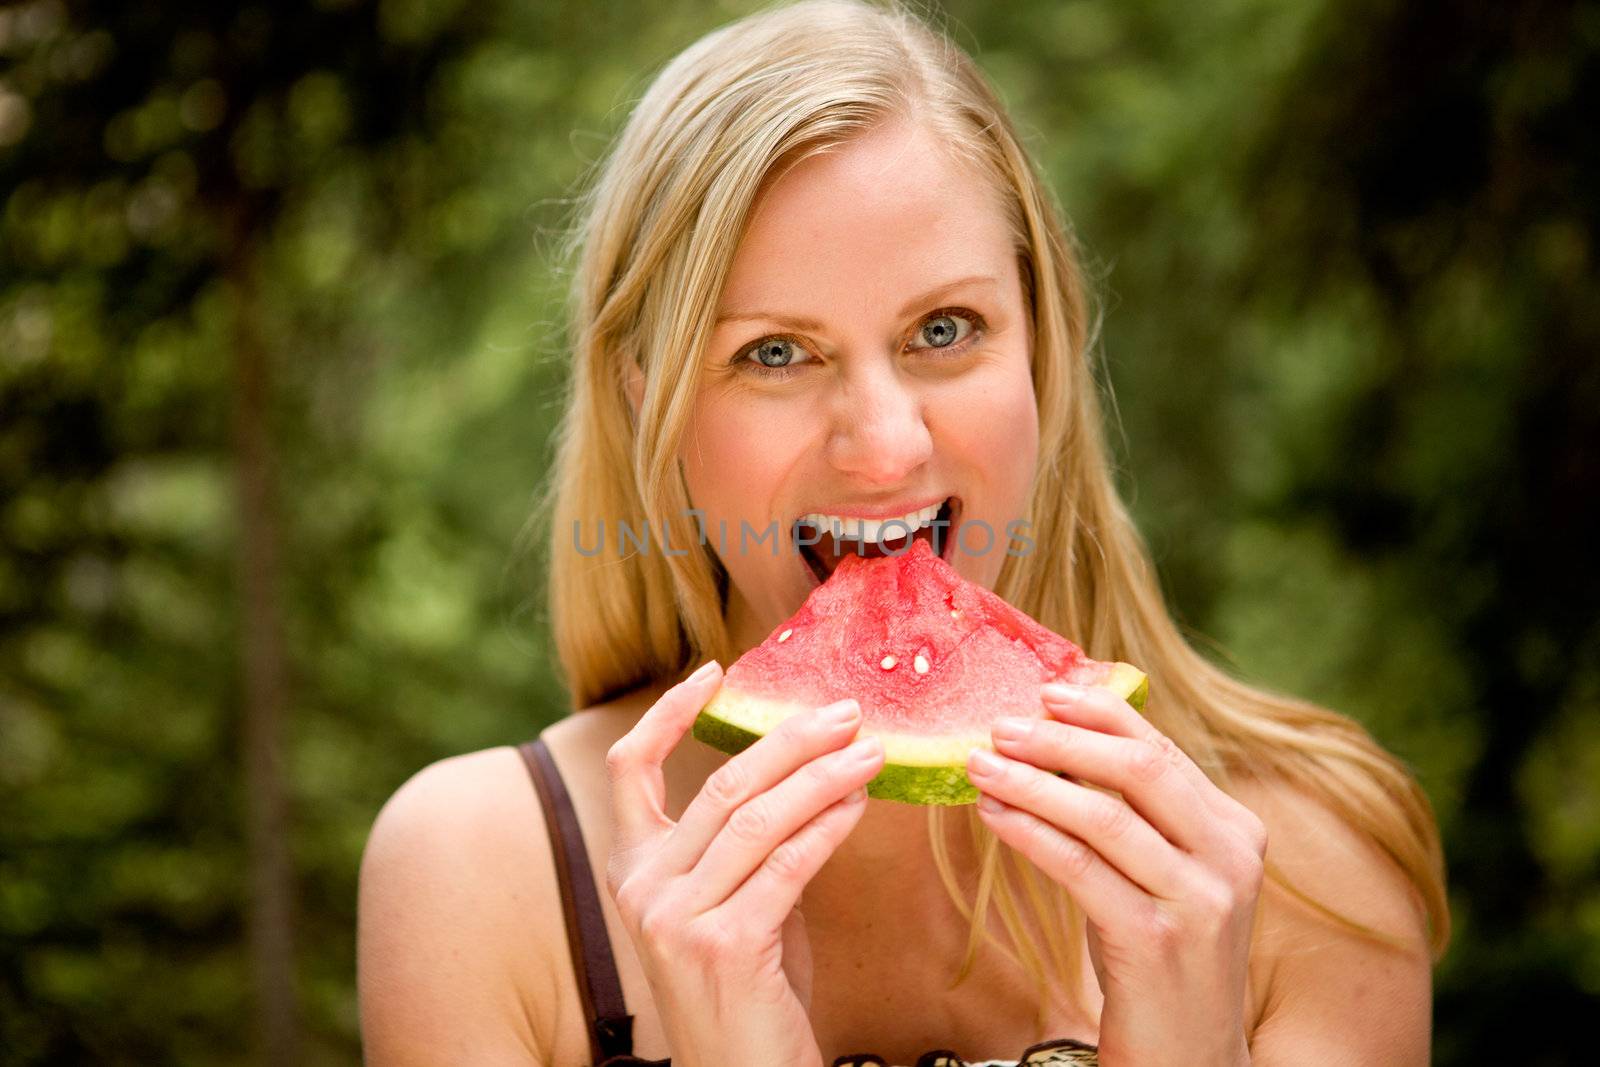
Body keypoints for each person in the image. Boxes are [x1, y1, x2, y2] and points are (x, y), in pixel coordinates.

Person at [356, 2, 1450, 1064]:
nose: (883, 447)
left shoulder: (1306, 871)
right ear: (651, 401)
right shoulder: (482, 879)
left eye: (943, 328)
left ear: (1041, 351)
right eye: (776, 352)